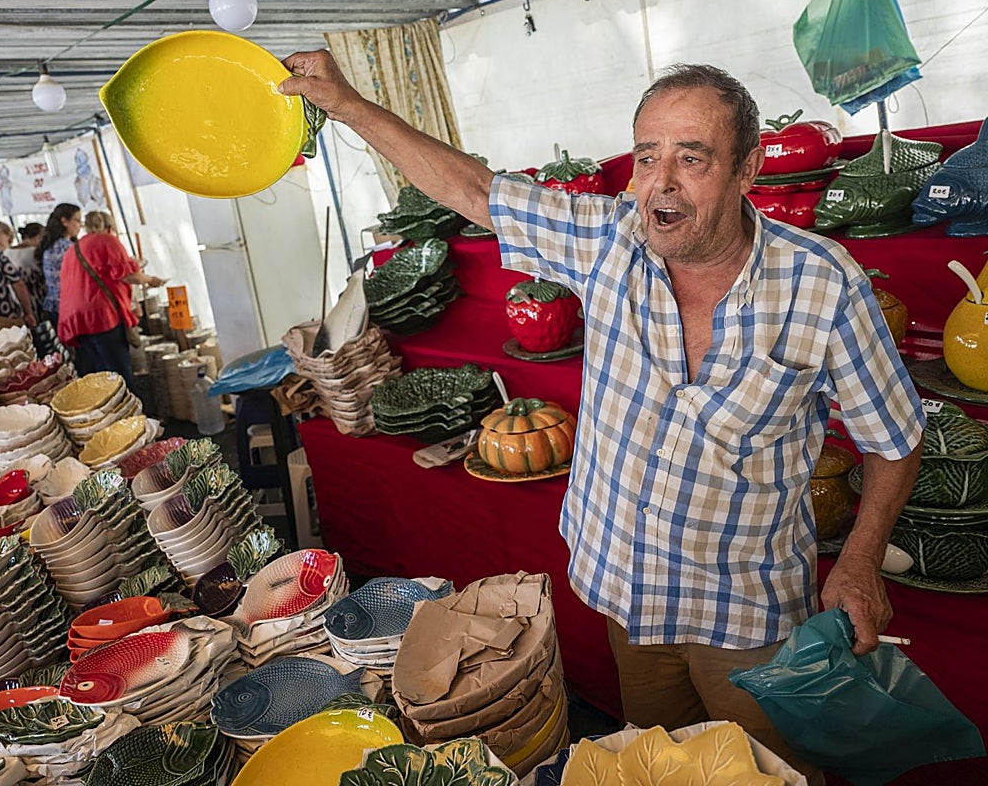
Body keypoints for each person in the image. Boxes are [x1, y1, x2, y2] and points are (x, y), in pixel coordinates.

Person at [279, 53, 924, 780]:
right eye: (647, 157)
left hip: (747, 615)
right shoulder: (610, 238)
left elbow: (893, 438)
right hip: (627, 592)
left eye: (692, 157)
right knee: (653, 762)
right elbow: (475, 191)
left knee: (765, 769)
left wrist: (863, 558)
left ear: (749, 170)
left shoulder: (822, 284)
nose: (661, 183)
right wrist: (348, 104)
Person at [57, 224, 164, 387]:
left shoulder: (71, 250)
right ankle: (131, 410)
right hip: (101, 315)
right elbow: (128, 275)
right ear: (109, 227)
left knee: (99, 375)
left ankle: (110, 410)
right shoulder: (107, 240)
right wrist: (151, 280)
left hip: (75, 319)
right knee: (119, 373)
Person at [36, 203, 82, 323]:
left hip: (52, 304)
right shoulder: (69, 248)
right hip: (71, 304)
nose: (80, 225)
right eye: (77, 220)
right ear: (65, 221)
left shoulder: (48, 246)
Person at [5, 222, 45, 311]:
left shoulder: (7, 252)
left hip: (15, 296)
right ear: (39, 237)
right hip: (34, 297)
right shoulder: (33, 252)